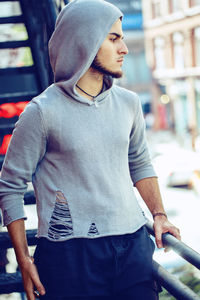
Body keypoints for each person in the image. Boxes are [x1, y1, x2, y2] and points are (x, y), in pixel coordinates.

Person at [0, 0, 181, 299]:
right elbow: (10, 186)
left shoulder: (129, 103)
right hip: (69, 254)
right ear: (84, 41)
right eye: (113, 38)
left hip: (133, 244)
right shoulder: (42, 112)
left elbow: (140, 163)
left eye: (122, 38)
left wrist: (159, 214)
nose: (124, 48)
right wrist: (23, 258)